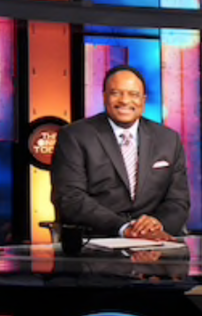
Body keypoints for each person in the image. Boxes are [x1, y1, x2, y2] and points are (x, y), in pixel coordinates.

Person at [50, 65, 189, 239]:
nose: (124, 101)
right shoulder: (75, 136)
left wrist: (156, 224)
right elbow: (70, 198)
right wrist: (123, 228)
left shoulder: (168, 139)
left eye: (133, 94)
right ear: (104, 97)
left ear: (143, 100)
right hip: (97, 240)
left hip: (155, 241)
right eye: (116, 93)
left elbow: (178, 200)